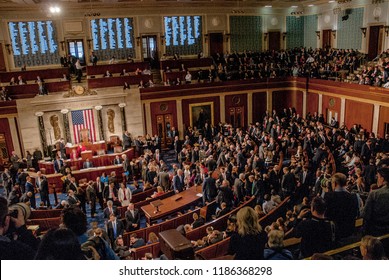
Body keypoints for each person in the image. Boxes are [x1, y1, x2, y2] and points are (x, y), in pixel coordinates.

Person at [324, 172, 359, 241]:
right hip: (349, 232)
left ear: (334, 183)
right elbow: (356, 213)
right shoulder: (355, 196)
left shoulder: (328, 196)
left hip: (334, 235)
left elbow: (326, 214)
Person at [362, 167, 389, 236]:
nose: (377, 180)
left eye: (378, 177)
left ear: (382, 179)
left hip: (376, 231)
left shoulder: (374, 194)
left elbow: (365, 215)